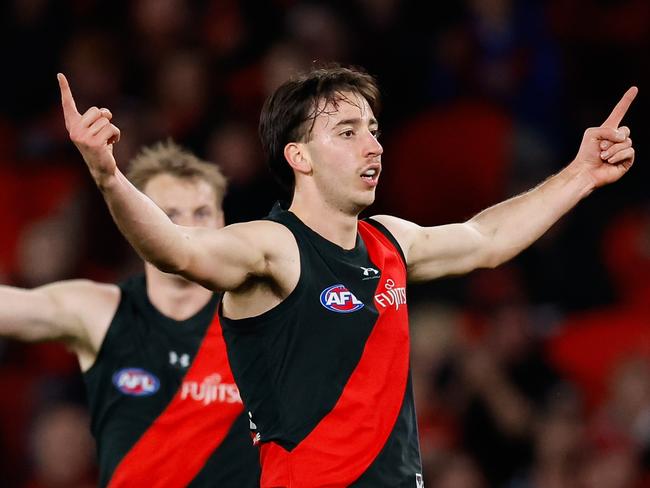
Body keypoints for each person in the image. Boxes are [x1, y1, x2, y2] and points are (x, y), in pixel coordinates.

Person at [58, 65, 636, 487]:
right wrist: (108, 176)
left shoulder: (391, 240)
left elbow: (487, 239)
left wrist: (580, 175)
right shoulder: (274, 247)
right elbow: (177, 251)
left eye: (374, 129)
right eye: (348, 132)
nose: (374, 145)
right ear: (299, 157)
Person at [0, 139, 260, 487]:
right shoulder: (102, 312)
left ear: (222, 221)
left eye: (202, 213)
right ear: (136, 225)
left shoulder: (260, 318)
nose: (186, 229)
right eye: (168, 215)